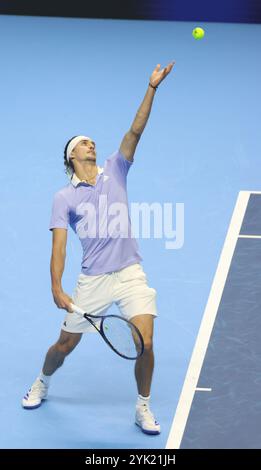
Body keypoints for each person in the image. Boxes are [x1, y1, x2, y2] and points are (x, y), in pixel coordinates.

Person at [22, 62, 175, 435]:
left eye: (92, 141)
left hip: (130, 273)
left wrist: (152, 88)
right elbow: (59, 246)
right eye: (83, 142)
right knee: (63, 346)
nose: (91, 143)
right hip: (93, 282)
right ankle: (43, 379)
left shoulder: (116, 168)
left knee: (146, 342)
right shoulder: (63, 197)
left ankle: (142, 406)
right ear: (72, 156)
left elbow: (135, 130)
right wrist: (57, 287)